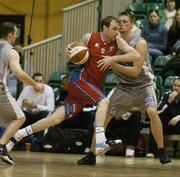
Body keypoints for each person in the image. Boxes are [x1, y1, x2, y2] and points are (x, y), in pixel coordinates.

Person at [5, 16, 141, 165]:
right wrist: (70, 50)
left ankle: (18, 134)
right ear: (104, 28)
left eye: (118, 29)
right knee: (104, 101)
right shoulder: (90, 37)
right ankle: (101, 140)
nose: (117, 31)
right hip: (79, 80)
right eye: (114, 28)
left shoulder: (118, 42)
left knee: (55, 119)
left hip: (91, 86)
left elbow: (136, 55)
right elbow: (74, 51)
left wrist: (112, 59)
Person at [77, 10, 171, 165]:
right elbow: (89, 44)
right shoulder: (113, 42)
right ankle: (92, 154)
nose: (121, 24)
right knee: (103, 117)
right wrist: (76, 49)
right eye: (118, 22)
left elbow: (134, 72)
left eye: (124, 22)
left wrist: (113, 63)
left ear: (131, 24)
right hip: (123, 87)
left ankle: (161, 151)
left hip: (143, 85)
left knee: (152, 111)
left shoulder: (139, 43)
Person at [0, 22, 44, 164]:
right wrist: (35, 84)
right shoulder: (11, 51)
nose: (16, 37)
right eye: (16, 34)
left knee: (8, 121)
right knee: (19, 117)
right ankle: (1, 146)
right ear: (10, 35)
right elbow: (19, 73)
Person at [147, 78, 180, 157]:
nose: (176, 88)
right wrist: (168, 101)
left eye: (179, 86)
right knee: (157, 121)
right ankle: (152, 151)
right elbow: (158, 111)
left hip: (178, 123)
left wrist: (178, 117)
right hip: (168, 123)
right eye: (175, 85)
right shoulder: (166, 94)